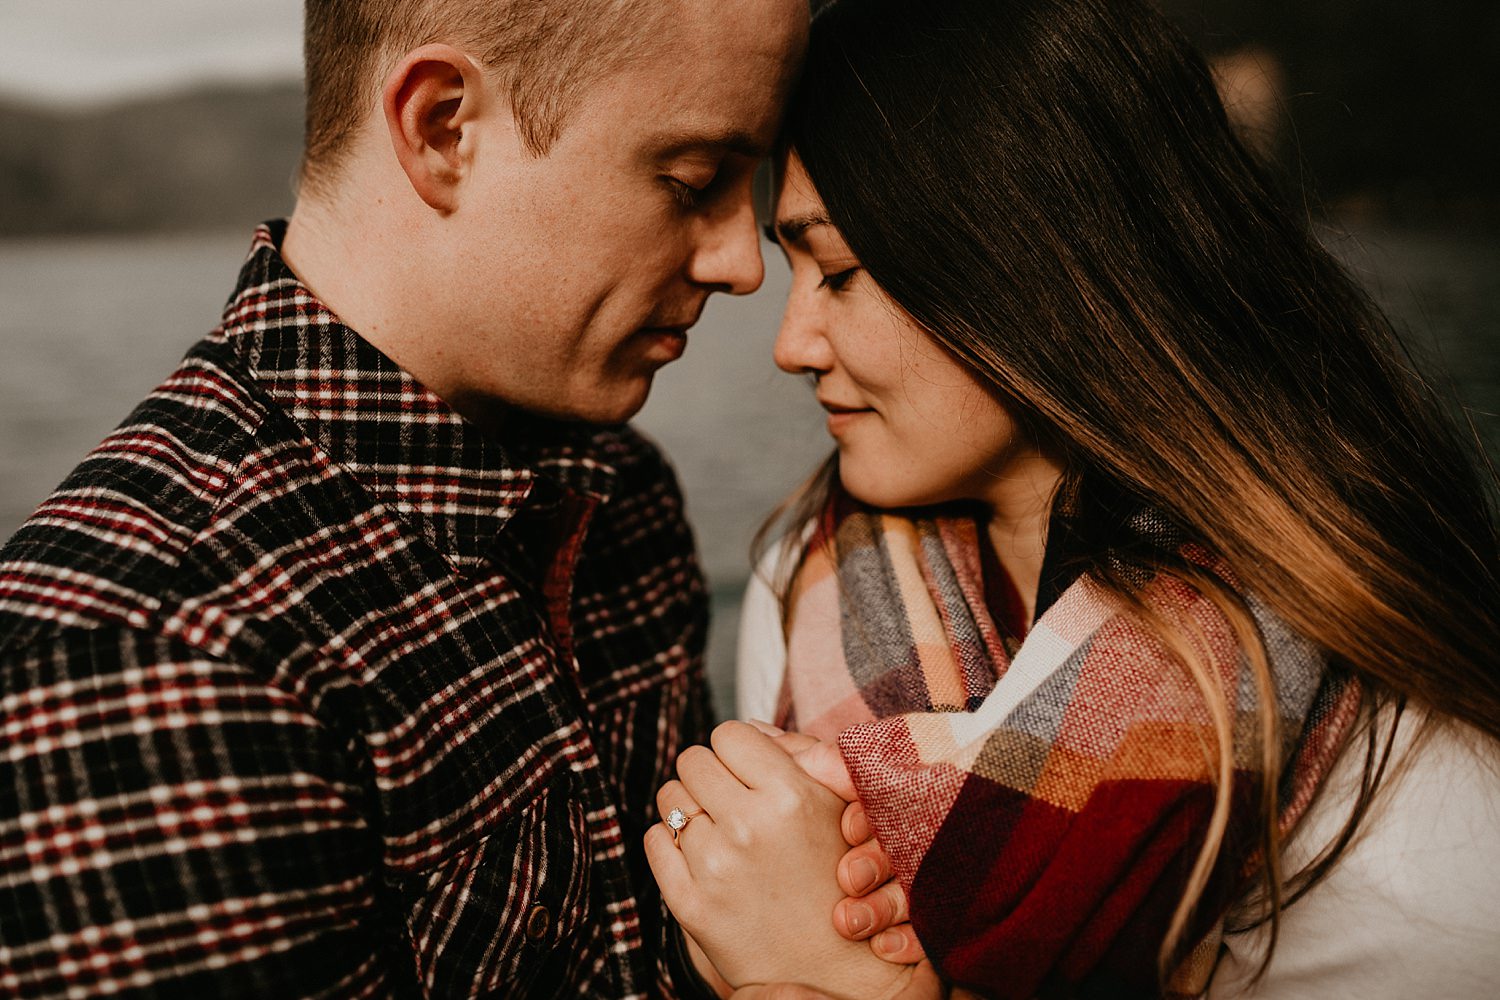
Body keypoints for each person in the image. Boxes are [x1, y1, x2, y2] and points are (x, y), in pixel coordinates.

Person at [647, 0, 1500, 997]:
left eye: (837, 271)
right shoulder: (807, 579)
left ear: (1029, 262)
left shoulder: (1404, 748)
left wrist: (859, 981)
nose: (792, 345)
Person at [0, 0, 807, 995]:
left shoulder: (617, 486)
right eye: (691, 181)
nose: (743, 262)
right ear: (442, 129)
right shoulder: (150, 655)